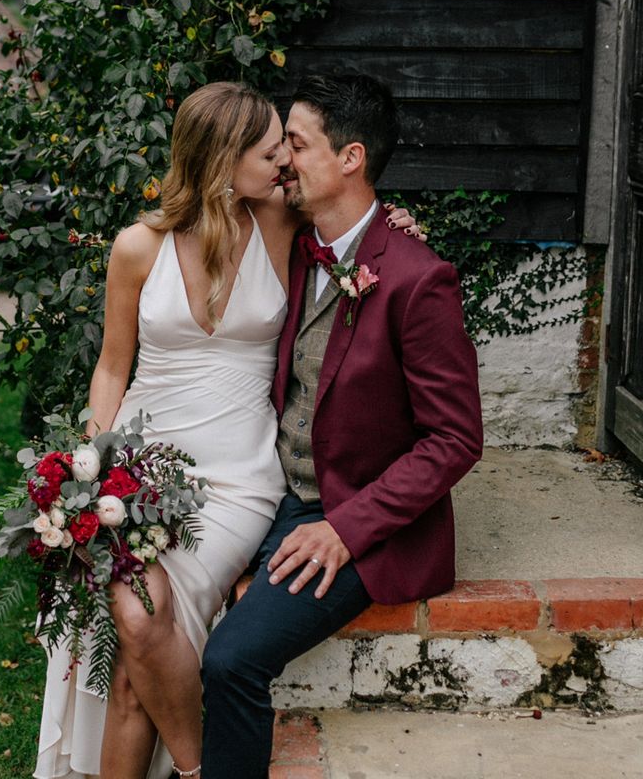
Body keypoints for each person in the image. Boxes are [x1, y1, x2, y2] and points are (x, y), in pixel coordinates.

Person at [33, 81, 422, 779]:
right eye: (271, 151)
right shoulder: (137, 248)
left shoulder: (280, 223)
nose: (284, 163)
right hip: (142, 469)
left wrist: (406, 227)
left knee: (139, 637)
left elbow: (361, 226)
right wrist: (89, 467)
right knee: (133, 638)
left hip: (239, 475)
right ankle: (198, 768)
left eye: (287, 149)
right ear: (222, 160)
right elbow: (112, 368)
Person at [199, 74, 484, 777]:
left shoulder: (419, 279)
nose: (283, 160)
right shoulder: (294, 244)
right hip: (269, 491)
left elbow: (455, 439)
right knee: (162, 603)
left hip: (354, 521)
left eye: (296, 143)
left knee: (232, 658)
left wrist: (344, 530)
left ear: (350, 158)